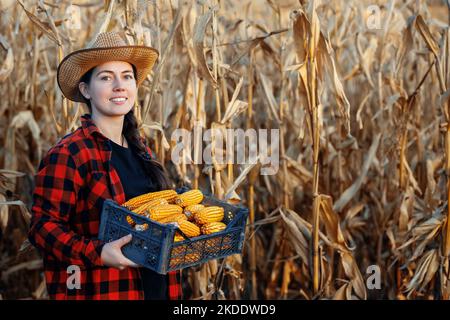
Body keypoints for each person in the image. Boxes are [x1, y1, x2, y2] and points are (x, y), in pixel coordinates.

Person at [28, 32, 182, 300]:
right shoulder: (70, 153)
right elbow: (42, 228)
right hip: (107, 290)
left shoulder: (141, 149)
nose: (119, 85)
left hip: (156, 288)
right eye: (106, 77)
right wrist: (98, 251)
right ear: (86, 90)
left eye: (127, 76)